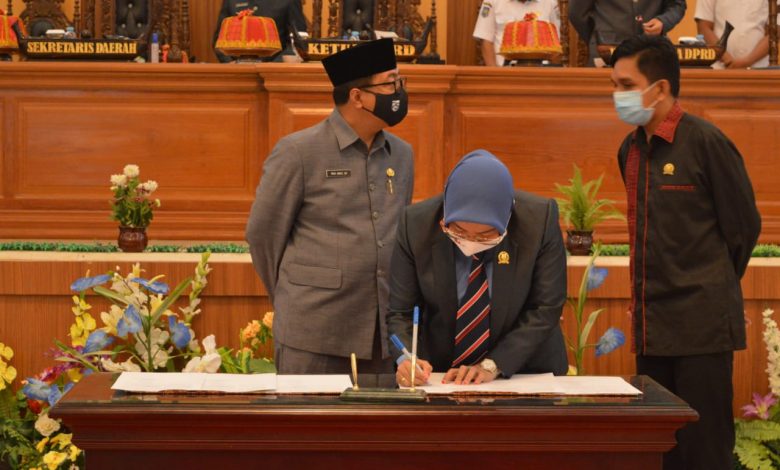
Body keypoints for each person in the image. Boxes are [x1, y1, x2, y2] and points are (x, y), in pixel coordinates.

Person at [609, 35, 761, 469]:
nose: (617, 95)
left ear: (659, 88)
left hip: (702, 328)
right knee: (661, 452)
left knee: (705, 453)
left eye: (626, 85)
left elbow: (744, 228)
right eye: (614, 85)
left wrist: (711, 286)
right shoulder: (629, 149)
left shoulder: (706, 142)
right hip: (651, 328)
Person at [246, 38, 414, 375]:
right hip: (313, 331)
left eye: (400, 82)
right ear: (357, 97)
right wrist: (292, 295)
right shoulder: (299, 151)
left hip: (381, 335)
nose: (399, 92)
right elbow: (263, 234)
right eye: (390, 83)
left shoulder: (401, 154)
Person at [387, 150, 568, 387]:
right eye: (459, 231)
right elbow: (400, 311)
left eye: (485, 235)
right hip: (444, 376)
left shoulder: (538, 221)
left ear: (506, 220)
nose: (470, 241)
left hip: (524, 371)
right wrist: (407, 358)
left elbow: (545, 307)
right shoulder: (416, 224)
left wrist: (493, 365)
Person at [569, 0, 686, 65]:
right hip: (606, 53)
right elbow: (577, 13)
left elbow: (677, 5)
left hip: (652, 52)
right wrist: (596, 37)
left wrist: (663, 22)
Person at [213, 0, 307, 63]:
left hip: (274, 72)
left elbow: (300, 40)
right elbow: (218, 40)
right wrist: (229, 63)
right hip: (237, 73)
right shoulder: (230, 1)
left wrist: (275, 64)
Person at [695, 0, 780, 69]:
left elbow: (776, 31)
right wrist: (726, 59)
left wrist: (747, 61)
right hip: (719, 67)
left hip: (759, 69)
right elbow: (704, 27)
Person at [473, 0, 561, 66]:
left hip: (541, 72)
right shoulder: (492, 1)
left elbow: (557, 43)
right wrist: (495, 76)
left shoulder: (550, 2)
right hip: (504, 72)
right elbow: (486, 41)